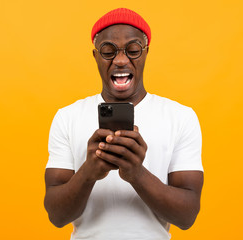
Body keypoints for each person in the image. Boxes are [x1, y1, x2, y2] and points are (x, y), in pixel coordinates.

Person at [44, 8, 204, 240]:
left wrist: (136, 174)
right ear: (95, 56)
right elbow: (57, 216)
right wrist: (89, 172)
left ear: (146, 53)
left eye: (133, 50)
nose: (120, 60)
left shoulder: (181, 117)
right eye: (108, 51)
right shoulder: (67, 117)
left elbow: (187, 216)